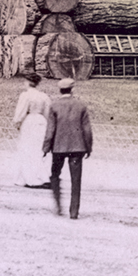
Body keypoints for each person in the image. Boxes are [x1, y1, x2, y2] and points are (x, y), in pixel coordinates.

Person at [42, 78, 93, 219]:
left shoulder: (54, 106)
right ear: (72, 89)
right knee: (76, 180)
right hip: (77, 147)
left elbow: (50, 130)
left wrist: (46, 148)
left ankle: (58, 206)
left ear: (60, 90)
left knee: (55, 175)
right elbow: (87, 130)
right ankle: (74, 212)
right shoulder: (81, 105)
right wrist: (88, 147)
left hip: (58, 148)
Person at [11, 72, 53, 188]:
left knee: (27, 149)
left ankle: (31, 179)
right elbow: (47, 112)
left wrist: (17, 122)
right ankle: (41, 176)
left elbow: (21, 112)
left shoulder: (25, 95)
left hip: (30, 122)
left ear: (29, 82)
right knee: (38, 149)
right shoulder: (44, 96)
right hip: (41, 121)